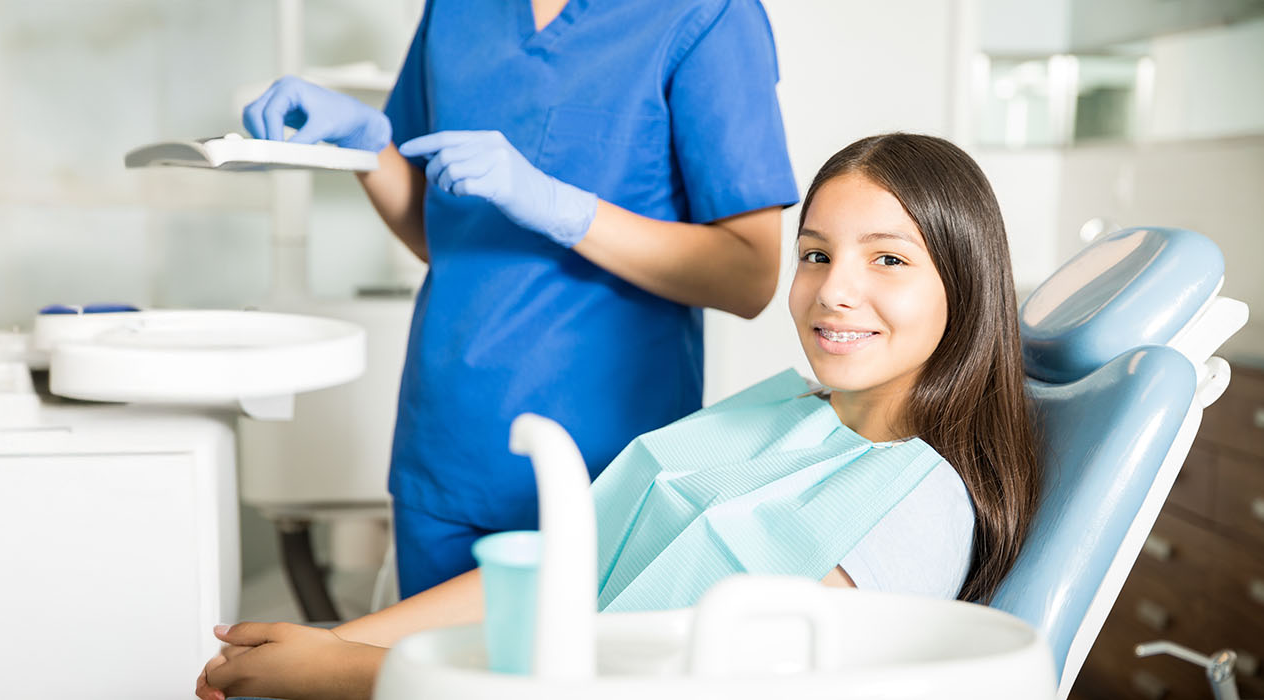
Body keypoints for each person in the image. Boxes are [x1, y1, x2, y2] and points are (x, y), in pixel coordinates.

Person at [196, 133, 1044, 700]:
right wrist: (332, 642)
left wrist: (355, 676)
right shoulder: (790, 409)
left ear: (964, 285)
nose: (833, 290)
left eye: (887, 260)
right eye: (815, 254)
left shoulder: (918, 505)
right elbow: (572, 570)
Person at [240, 0, 799, 601]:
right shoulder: (455, 12)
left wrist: (563, 207)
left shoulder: (707, 16)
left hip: (603, 467)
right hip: (444, 451)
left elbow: (749, 274)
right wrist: (368, 144)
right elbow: (442, 235)